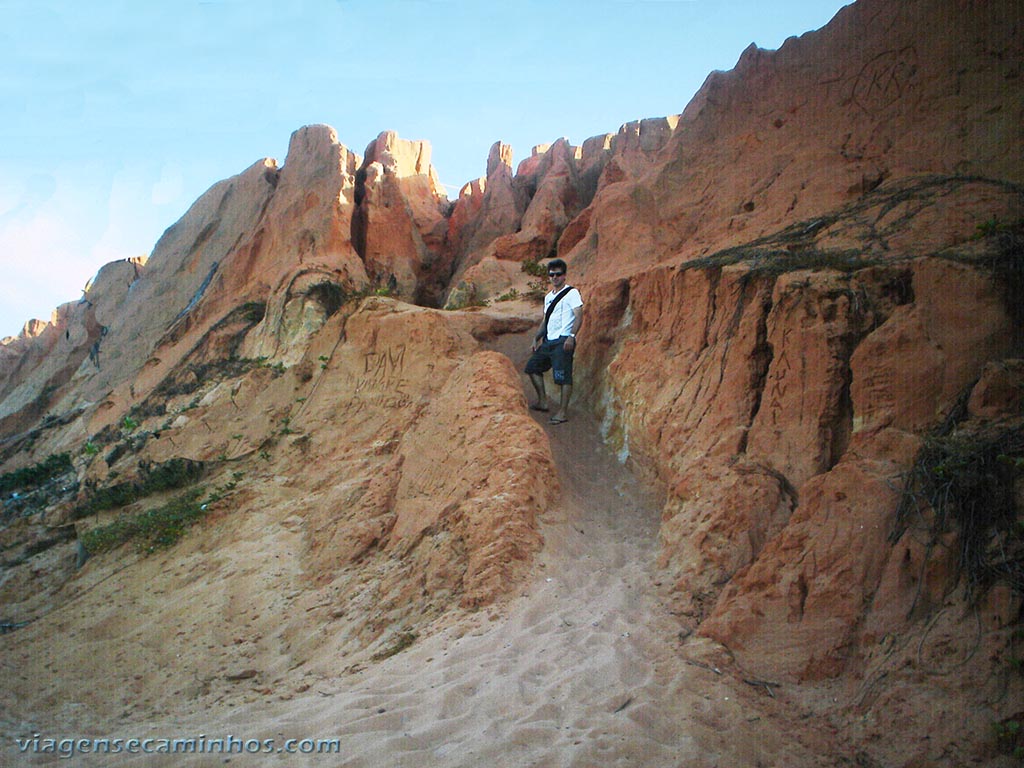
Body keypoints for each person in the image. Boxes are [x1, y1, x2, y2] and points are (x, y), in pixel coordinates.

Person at [524, 258, 583, 424]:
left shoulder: (572, 293)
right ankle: (543, 401)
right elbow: (545, 320)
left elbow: (579, 315)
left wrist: (571, 336)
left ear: (564, 276)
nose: (555, 277)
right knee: (532, 367)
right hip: (549, 341)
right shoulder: (548, 297)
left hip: (563, 340)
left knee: (563, 376)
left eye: (558, 274)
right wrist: (536, 338)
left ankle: (562, 413)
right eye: (552, 274)